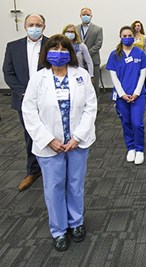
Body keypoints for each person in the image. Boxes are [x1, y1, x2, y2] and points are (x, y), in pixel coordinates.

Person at [21, 34, 97, 251]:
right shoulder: (38, 78)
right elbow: (29, 111)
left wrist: (78, 137)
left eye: (64, 50)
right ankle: (59, 229)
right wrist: (48, 140)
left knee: (75, 184)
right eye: (54, 49)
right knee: (54, 187)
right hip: (49, 144)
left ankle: (76, 223)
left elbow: (91, 107)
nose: (59, 53)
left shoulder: (80, 75)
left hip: (77, 143)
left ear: (70, 53)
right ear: (47, 52)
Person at [2, 14, 49, 192]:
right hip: (23, 100)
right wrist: (26, 92)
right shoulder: (13, 47)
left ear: (44, 26)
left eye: (38, 24)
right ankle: (33, 171)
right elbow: (8, 73)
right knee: (31, 135)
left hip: (48, 99)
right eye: (31, 24)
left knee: (51, 133)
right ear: (25, 26)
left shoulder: (52, 45)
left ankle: (50, 169)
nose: (34, 27)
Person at [106, 26, 146, 164]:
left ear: (134, 36)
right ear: (120, 37)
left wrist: (136, 93)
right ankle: (130, 147)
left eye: (129, 35)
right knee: (126, 122)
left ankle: (139, 149)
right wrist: (122, 94)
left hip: (138, 95)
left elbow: (143, 74)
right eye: (124, 36)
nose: (127, 38)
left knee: (137, 123)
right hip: (121, 96)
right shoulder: (114, 55)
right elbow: (114, 77)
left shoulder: (140, 53)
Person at [76, 7, 103, 94]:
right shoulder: (75, 29)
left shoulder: (98, 29)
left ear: (91, 16)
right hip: (79, 62)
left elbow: (98, 45)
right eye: (84, 14)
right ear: (80, 16)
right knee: (80, 85)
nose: (85, 16)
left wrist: (86, 54)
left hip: (93, 61)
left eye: (88, 15)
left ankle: (95, 105)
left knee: (94, 85)